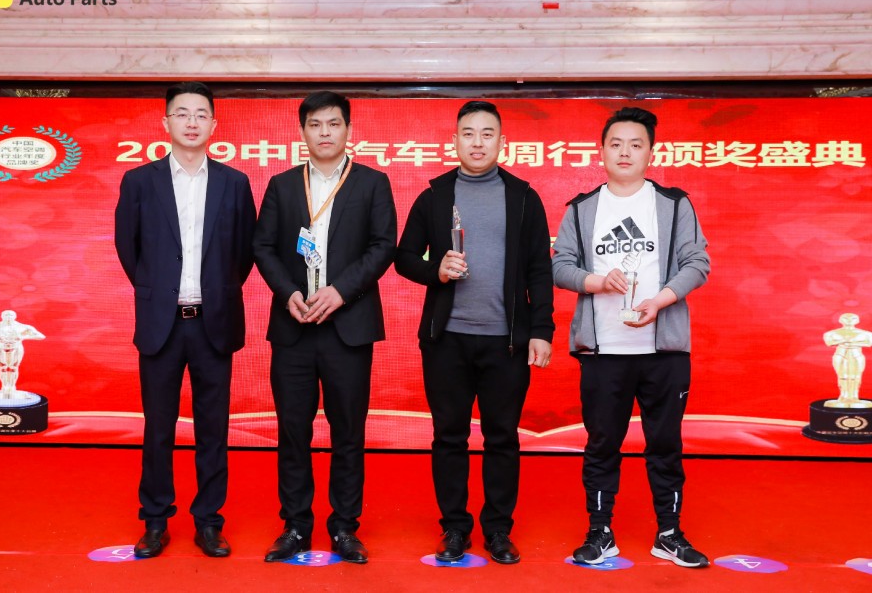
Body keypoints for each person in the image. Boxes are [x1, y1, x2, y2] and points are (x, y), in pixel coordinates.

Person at [394, 100, 554, 565]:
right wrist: (435, 270)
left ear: (502, 141)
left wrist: (541, 330)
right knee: (449, 436)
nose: (477, 142)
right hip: (447, 339)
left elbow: (540, 269)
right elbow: (404, 257)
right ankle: (454, 528)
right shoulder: (435, 195)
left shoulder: (523, 197)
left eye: (487, 134)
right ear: (455, 140)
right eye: (468, 133)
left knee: (502, 437)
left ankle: (498, 530)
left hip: (507, 341)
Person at [552, 106, 711, 568]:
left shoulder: (674, 204)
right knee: (602, 444)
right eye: (616, 143)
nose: (625, 152)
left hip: (663, 350)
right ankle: (600, 532)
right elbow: (559, 266)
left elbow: (697, 263)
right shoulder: (581, 209)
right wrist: (597, 282)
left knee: (665, 444)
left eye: (636, 144)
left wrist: (660, 300)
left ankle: (669, 533)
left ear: (650, 153)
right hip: (603, 351)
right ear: (601, 151)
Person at [253, 91, 396, 564]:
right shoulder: (282, 185)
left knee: (348, 431)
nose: (325, 133)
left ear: (348, 129)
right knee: (293, 430)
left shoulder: (372, 183)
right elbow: (263, 247)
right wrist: (287, 293)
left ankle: (344, 527)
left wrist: (340, 292)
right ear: (303, 132)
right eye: (315, 125)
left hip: (347, 327)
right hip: (293, 325)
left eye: (334, 124)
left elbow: (383, 246)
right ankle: (296, 525)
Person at [114, 82, 256, 559]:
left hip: (214, 320)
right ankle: (155, 519)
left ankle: (209, 521)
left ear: (214, 124)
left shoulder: (235, 183)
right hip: (162, 323)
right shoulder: (140, 181)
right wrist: (157, 291)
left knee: (213, 428)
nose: (191, 122)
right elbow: (128, 248)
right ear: (166, 122)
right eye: (182, 113)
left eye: (200, 114)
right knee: (158, 427)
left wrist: (217, 290)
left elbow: (244, 253)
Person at [0, 310, 45, 401]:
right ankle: (4, 388)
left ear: (15, 316)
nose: (9, 316)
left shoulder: (23, 327)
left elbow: (41, 336)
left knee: (13, 367)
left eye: (11, 315)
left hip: (16, 348)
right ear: (2, 316)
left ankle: (12, 388)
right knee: (3, 367)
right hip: (1, 347)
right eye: (6, 315)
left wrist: (22, 337)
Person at [823, 313, 872, 408]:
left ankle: (854, 396)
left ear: (857, 320)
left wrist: (848, 342)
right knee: (842, 376)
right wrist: (846, 341)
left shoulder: (866, 334)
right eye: (846, 318)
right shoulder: (831, 333)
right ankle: (843, 396)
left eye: (853, 318)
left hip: (857, 355)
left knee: (856, 376)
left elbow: (869, 343)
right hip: (841, 354)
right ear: (840, 320)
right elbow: (829, 342)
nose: (849, 320)